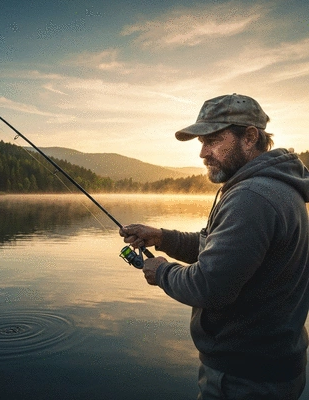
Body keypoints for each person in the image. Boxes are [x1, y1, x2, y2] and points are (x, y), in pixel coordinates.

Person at [120, 94, 309, 399]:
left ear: (249, 137)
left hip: (245, 379)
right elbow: (225, 253)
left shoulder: (252, 197)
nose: (203, 153)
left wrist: (161, 271)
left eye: (213, 140)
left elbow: (211, 286)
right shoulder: (269, 186)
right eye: (201, 142)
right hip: (265, 369)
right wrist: (163, 238)